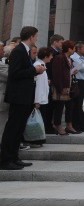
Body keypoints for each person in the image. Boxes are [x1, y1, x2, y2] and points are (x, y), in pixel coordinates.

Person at [0, 26, 46, 170]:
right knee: (13, 128)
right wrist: (34, 70)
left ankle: (14, 157)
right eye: (36, 36)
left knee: (19, 128)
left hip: (25, 96)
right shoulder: (18, 51)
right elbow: (14, 73)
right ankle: (5, 159)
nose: (37, 38)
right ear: (31, 36)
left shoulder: (25, 52)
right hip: (18, 96)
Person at [51, 40, 79, 135]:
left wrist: (73, 71)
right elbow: (57, 74)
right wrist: (60, 87)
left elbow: (67, 72)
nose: (74, 50)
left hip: (69, 86)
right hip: (62, 86)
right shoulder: (59, 58)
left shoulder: (69, 59)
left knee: (70, 105)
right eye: (74, 48)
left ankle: (69, 125)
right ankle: (58, 125)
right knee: (59, 106)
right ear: (69, 49)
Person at [29, 47, 53, 147]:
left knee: (41, 120)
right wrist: (37, 100)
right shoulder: (38, 66)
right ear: (46, 56)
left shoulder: (42, 65)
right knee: (37, 121)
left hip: (43, 98)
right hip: (39, 99)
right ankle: (34, 140)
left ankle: (38, 140)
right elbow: (37, 85)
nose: (52, 57)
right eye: (50, 55)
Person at [71, 41, 84, 132]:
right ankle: (77, 125)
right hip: (78, 82)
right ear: (79, 49)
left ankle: (83, 124)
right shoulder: (74, 57)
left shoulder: (82, 58)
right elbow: (83, 68)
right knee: (78, 104)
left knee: (83, 103)